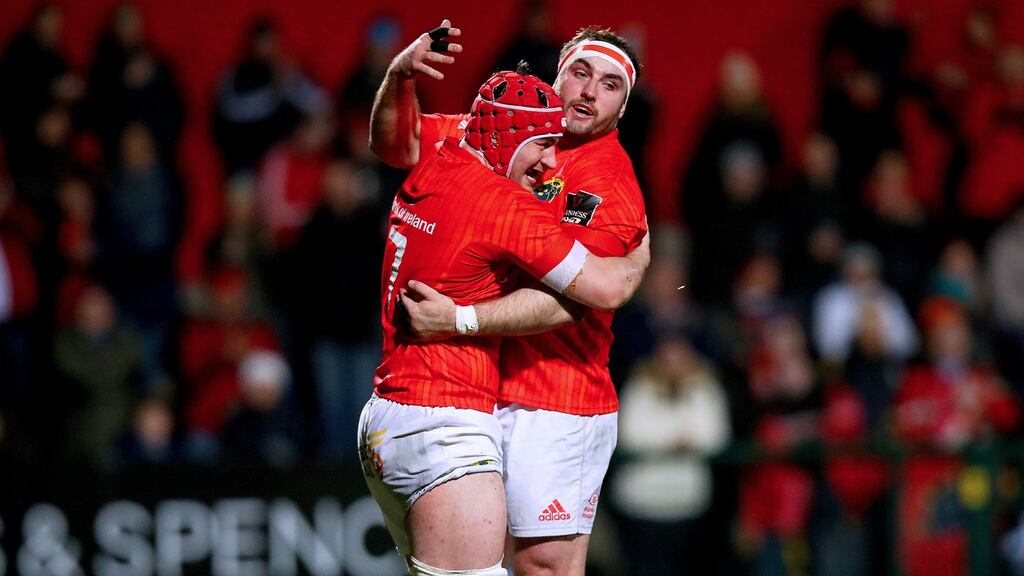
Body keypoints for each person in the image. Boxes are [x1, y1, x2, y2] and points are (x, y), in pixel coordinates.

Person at [370, 21, 647, 575]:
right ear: (557, 75)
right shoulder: (506, 132)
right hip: (482, 388)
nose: (589, 91)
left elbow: (588, 297)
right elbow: (395, 142)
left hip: (557, 395)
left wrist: (463, 319)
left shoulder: (610, 184)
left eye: (610, 85)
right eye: (581, 72)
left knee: (543, 566)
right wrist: (398, 77)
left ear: (622, 108)